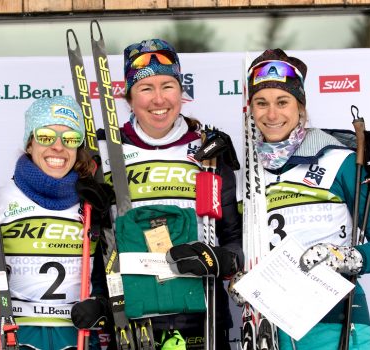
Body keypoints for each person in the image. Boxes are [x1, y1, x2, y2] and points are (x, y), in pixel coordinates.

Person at [70, 39, 243, 350]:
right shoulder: (106, 153)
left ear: (180, 91)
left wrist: (224, 259)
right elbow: (98, 244)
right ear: (129, 96)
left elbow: (234, 237)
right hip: (132, 316)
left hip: (201, 312)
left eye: (168, 85)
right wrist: (98, 297)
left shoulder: (208, 150)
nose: (159, 99)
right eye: (146, 88)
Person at [231, 48, 370, 349]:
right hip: (270, 329)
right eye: (261, 103)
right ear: (251, 110)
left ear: (301, 107)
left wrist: (344, 257)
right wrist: (241, 280)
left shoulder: (340, 162)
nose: (272, 115)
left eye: (282, 102)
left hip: (337, 322)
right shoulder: (247, 178)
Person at [0, 95, 105, 350]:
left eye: (70, 139)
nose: (58, 147)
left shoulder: (91, 206)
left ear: (78, 148)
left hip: (78, 339)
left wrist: (100, 304)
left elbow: (101, 279)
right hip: (17, 338)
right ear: (30, 144)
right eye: (46, 137)